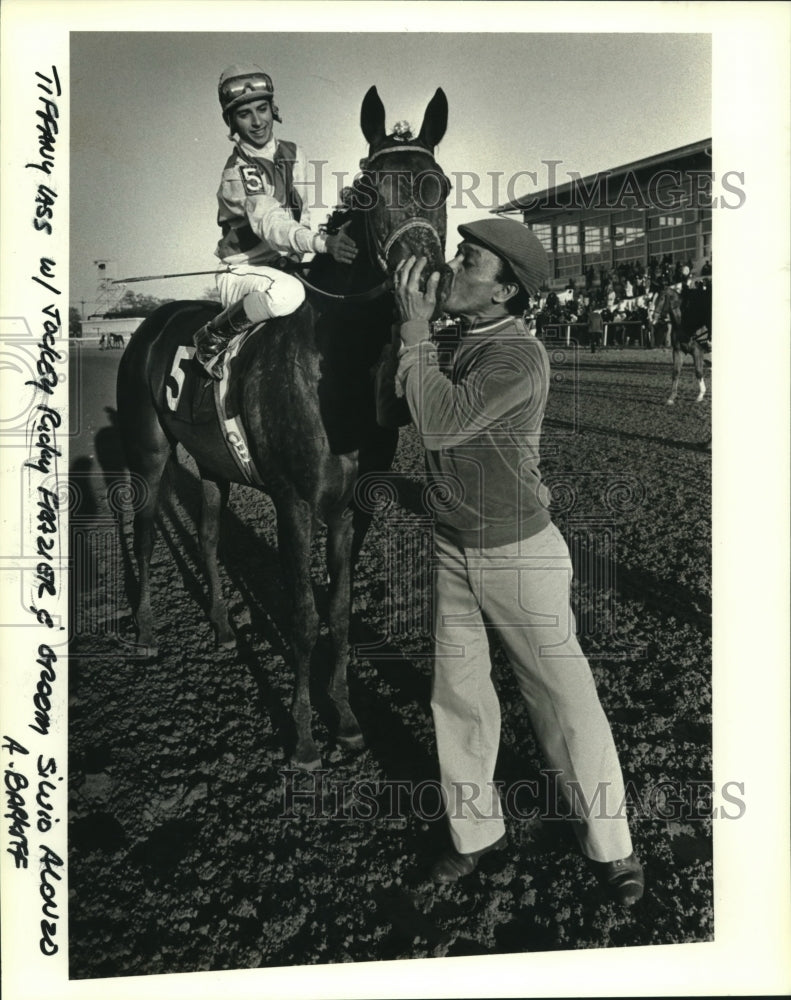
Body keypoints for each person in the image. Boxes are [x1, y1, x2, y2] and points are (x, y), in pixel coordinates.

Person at [389, 217, 644, 905]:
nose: (450, 266)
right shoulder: (457, 337)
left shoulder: (517, 356)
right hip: (452, 545)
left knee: (562, 701)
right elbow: (400, 407)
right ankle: (474, 836)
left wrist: (413, 334)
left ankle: (610, 847)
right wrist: (404, 335)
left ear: (503, 291)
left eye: (467, 261)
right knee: (459, 699)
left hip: (519, 555)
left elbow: (438, 423)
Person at [193, 64, 358, 379]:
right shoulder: (238, 172)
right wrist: (322, 244)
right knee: (289, 295)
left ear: (273, 108)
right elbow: (272, 223)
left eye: (262, 108)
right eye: (244, 114)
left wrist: (311, 251)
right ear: (231, 121)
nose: (257, 122)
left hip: (286, 268)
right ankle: (212, 336)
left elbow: (302, 215)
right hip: (243, 273)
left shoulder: (297, 154)